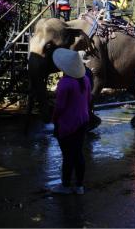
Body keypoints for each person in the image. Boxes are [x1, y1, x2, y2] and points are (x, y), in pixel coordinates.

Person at [51, 48, 91, 195]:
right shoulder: (85, 79)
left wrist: (54, 120)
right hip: (83, 120)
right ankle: (79, 186)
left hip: (68, 124)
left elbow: (60, 107)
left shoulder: (65, 83)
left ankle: (66, 186)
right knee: (78, 154)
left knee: (67, 155)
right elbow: (88, 100)